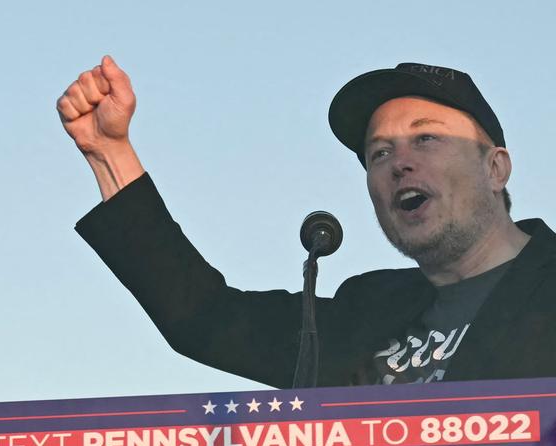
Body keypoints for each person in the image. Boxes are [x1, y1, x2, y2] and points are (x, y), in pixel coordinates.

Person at [57, 58, 556, 386]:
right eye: (378, 152)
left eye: (426, 139)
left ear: (495, 168)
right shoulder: (366, 311)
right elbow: (205, 318)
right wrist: (109, 152)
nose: (398, 162)